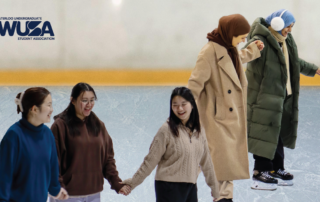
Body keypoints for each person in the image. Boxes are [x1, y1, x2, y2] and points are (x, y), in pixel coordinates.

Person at [187, 14, 264, 202]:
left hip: (229, 117)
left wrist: (252, 50)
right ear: (230, 33)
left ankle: (224, 198)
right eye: (241, 37)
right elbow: (195, 84)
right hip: (214, 118)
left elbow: (237, 57)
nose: (243, 40)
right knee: (202, 160)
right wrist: (184, 111)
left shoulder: (229, 48)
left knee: (225, 161)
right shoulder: (208, 52)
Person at [243, 9, 320, 190]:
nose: (290, 30)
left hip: (279, 97)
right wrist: (255, 47)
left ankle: (276, 168)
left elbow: (294, 62)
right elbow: (249, 51)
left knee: (276, 135)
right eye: (288, 26)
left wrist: (314, 69)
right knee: (263, 135)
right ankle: (260, 171)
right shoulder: (261, 39)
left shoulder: (283, 41)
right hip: (263, 98)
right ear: (277, 24)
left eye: (292, 26)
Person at [121, 87, 220, 202]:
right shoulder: (166, 130)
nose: (180, 108)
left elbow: (206, 162)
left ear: (192, 104)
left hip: (191, 187)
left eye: (184, 104)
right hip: (168, 187)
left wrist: (215, 188)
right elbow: (150, 161)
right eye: (175, 105)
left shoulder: (199, 131)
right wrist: (133, 183)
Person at [49, 82, 130, 202]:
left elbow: (107, 158)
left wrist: (117, 183)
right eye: (84, 100)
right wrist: (57, 188)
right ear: (73, 100)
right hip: (67, 195)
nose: (89, 105)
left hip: (93, 194)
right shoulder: (60, 126)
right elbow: (53, 161)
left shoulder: (99, 126)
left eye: (92, 100)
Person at [0, 87, 68, 202]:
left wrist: (55, 189)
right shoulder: (14, 136)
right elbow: (4, 175)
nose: (52, 110)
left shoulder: (47, 134)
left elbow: (52, 167)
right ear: (34, 109)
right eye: (48, 105)